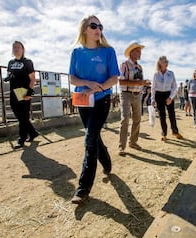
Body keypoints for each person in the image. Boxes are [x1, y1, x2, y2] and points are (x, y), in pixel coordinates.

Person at [69, 15, 120, 205]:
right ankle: (106, 161)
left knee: (89, 139)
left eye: (100, 26)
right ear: (84, 29)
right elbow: (73, 78)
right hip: (83, 100)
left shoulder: (108, 51)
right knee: (94, 137)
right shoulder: (76, 52)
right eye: (93, 25)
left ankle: (83, 189)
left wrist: (99, 87)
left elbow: (114, 78)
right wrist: (86, 83)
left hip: (101, 100)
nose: (98, 29)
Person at [118, 42, 150, 155]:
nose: (140, 53)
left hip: (137, 95)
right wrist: (139, 82)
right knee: (125, 119)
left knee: (137, 120)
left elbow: (139, 82)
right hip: (126, 94)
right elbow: (121, 80)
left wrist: (144, 83)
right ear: (131, 53)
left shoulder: (139, 67)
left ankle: (133, 142)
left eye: (140, 51)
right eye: (137, 51)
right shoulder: (124, 65)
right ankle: (121, 146)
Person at [6, 41, 39, 149]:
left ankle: (21, 138)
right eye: (14, 47)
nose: (16, 49)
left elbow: (33, 78)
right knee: (19, 116)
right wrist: (8, 77)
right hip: (13, 92)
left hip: (24, 91)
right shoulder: (10, 62)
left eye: (18, 47)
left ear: (22, 49)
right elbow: (10, 74)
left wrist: (30, 92)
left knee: (23, 116)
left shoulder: (27, 62)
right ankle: (33, 132)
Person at [151, 56, 183, 141]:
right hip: (159, 95)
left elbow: (174, 86)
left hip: (168, 94)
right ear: (160, 63)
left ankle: (175, 131)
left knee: (172, 114)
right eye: (164, 61)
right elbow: (153, 88)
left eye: (166, 61)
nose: (166, 62)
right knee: (162, 115)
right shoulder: (156, 74)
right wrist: (153, 99)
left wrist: (171, 97)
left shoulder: (171, 73)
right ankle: (164, 133)